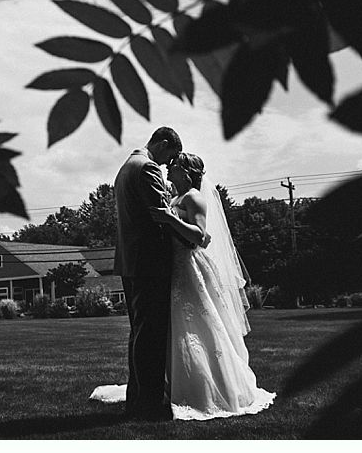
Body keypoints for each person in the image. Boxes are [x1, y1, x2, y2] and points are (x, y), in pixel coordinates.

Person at [92, 151, 275, 421]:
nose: (168, 168)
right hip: (172, 267)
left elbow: (199, 236)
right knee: (173, 330)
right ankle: (170, 385)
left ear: (187, 172)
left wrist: (169, 219)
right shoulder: (175, 197)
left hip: (189, 269)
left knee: (197, 329)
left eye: (174, 165)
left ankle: (205, 388)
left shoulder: (193, 198)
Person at [108, 126, 184, 421]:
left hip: (131, 261)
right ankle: (150, 403)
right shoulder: (147, 167)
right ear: (163, 144)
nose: (168, 165)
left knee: (139, 331)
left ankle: (137, 397)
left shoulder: (126, 166)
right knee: (151, 334)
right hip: (149, 262)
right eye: (171, 157)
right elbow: (160, 215)